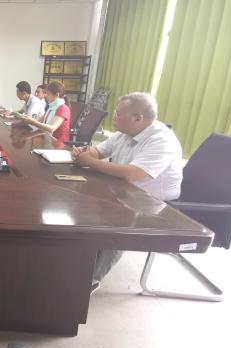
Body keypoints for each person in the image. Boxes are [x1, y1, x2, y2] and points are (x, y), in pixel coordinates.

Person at [71, 92, 183, 290]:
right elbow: (99, 151)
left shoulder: (161, 140)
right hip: (124, 190)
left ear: (138, 118)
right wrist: (85, 152)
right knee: (80, 199)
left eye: (118, 113)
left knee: (120, 218)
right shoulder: (124, 132)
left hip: (155, 203)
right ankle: (77, 258)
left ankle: (91, 279)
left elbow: (133, 173)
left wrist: (91, 162)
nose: (113, 117)